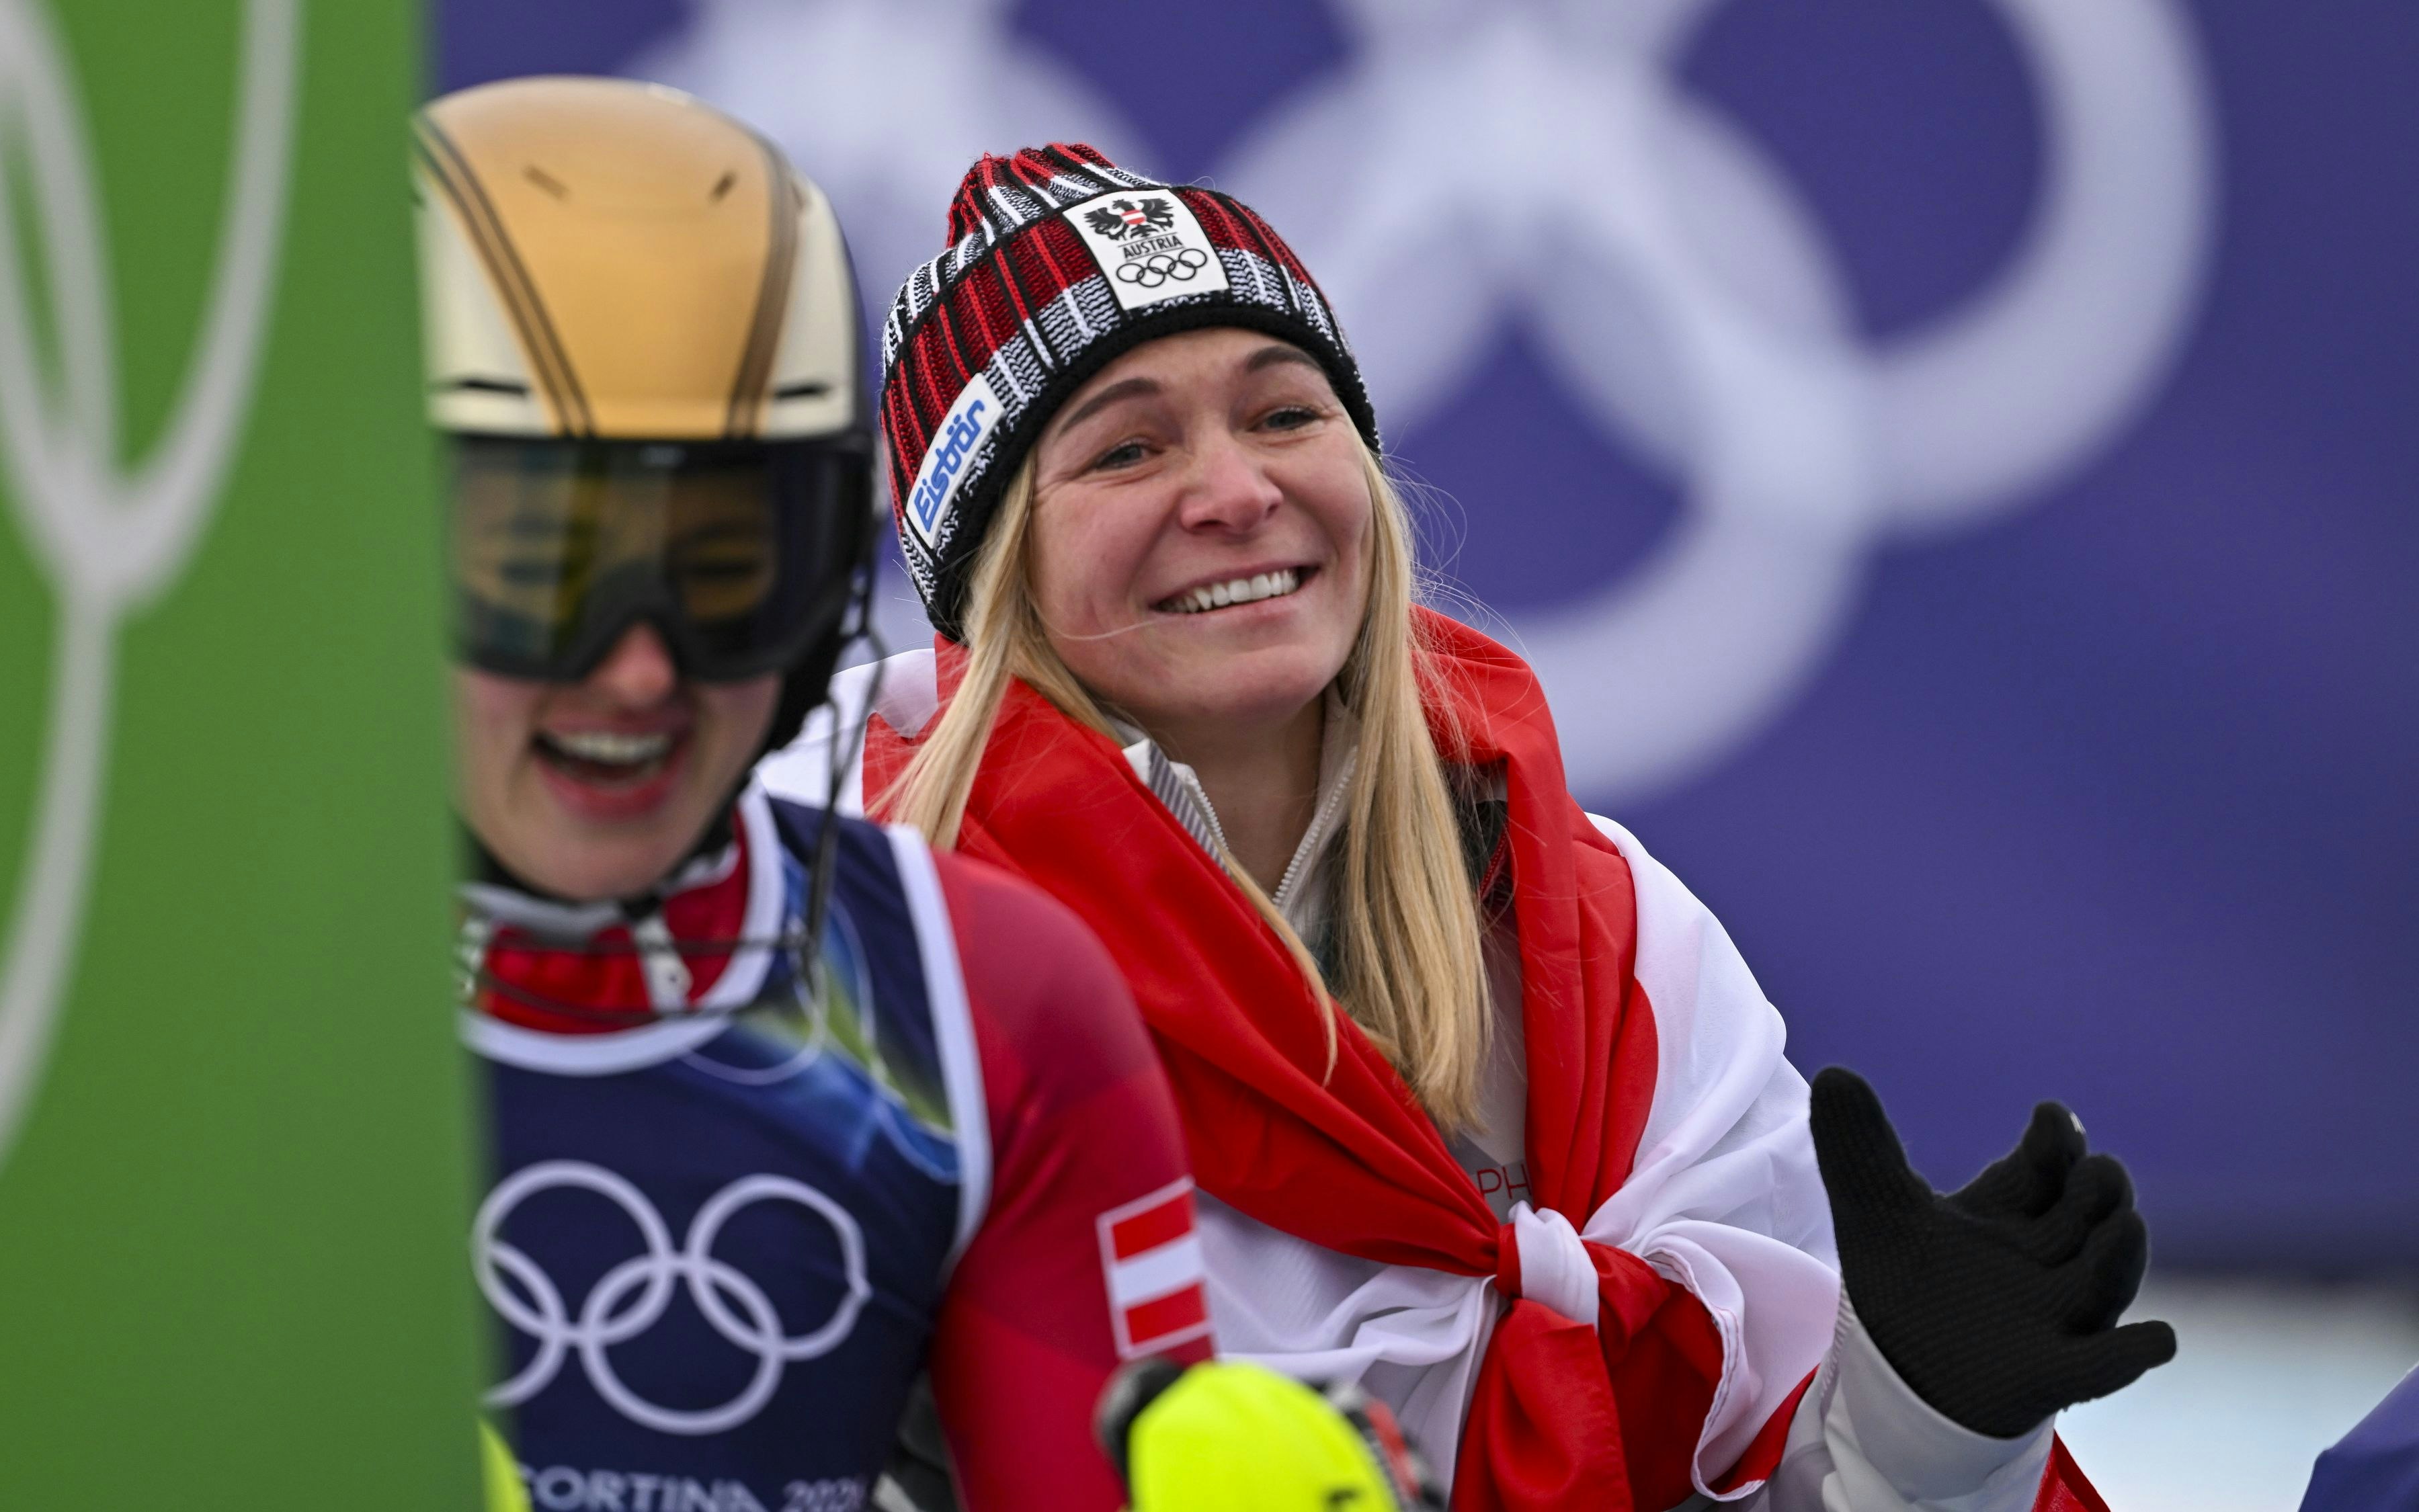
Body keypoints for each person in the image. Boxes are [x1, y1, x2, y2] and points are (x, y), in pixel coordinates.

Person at [769, 143, 2177, 1510]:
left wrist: (1929, 1429)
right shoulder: (847, 952)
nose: (1236, 491)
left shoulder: (1607, 939)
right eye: (1126, 447)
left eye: (1282, 413)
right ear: (993, 562)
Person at [417, 87, 1217, 1511]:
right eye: (541, 569)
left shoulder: (991, 1006)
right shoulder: (152, 988)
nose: (638, 666)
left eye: (728, 567)